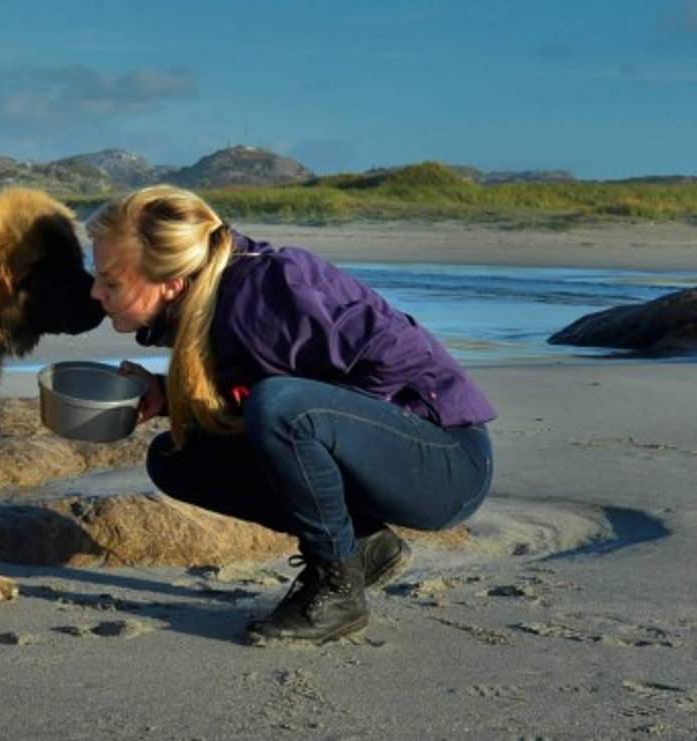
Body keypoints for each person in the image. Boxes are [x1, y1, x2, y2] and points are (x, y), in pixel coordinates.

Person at [85, 185, 495, 646]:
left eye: (111, 281)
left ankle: (337, 588)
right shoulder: (206, 304)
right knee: (175, 457)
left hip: (448, 464)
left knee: (280, 407)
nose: (96, 292)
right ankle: (362, 544)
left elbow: (399, 354)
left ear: (173, 283)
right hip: (388, 457)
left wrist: (333, 426)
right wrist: (167, 396)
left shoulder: (271, 287)